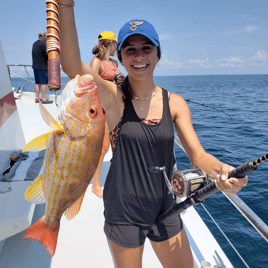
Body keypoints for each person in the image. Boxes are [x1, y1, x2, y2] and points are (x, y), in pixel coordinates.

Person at [58, 3, 248, 267]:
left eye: (146, 48)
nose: (139, 56)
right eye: (130, 50)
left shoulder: (176, 103)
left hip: (166, 206)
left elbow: (199, 156)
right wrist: (66, 7)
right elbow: (71, 66)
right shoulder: (114, 98)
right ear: (121, 58)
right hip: (123, 210)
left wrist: (223, 171)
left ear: (158, 55)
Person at [90, 31, 124, 198]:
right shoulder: (96, 62)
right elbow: (91, 82)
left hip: (115, 109)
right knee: (102, 148)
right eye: (115, 44)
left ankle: (118, 178)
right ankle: (95, 185)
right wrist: (111, 82)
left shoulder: (114, 62)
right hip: (102, 110)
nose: (116, 48)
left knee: (117, 146)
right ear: (110, 44)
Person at [32, 31, 53, 104]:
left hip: (35, 67)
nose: (47, 38)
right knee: (44, 83)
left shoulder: (35, 43)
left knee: (37, 83)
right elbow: (48, 55)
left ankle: (37, 98)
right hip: (42, 67)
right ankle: (44, 99)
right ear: (43, 37)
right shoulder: (43, 44)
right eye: (46, 37)